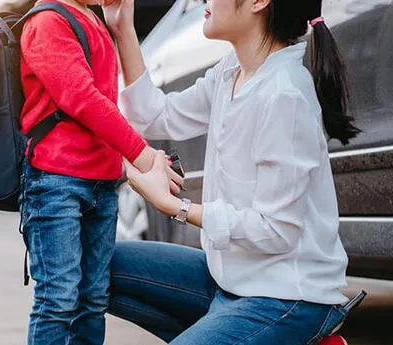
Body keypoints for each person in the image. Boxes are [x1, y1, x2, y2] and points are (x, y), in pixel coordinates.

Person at [101, 0, 361, 343]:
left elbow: (275, 230)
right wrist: (123, 29)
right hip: (230, 283)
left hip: (287, 297)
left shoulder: (284, 94)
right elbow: (154, 115)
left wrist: (175, 207)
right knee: (91, 264)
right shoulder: (231, 72)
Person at [18, 1, 182, 344]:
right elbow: (83, 99)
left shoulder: (92, 19)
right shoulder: (48, 21)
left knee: (92, 299)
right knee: (58, 298)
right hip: (56, 182)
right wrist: (143, 155)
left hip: (102, 184)